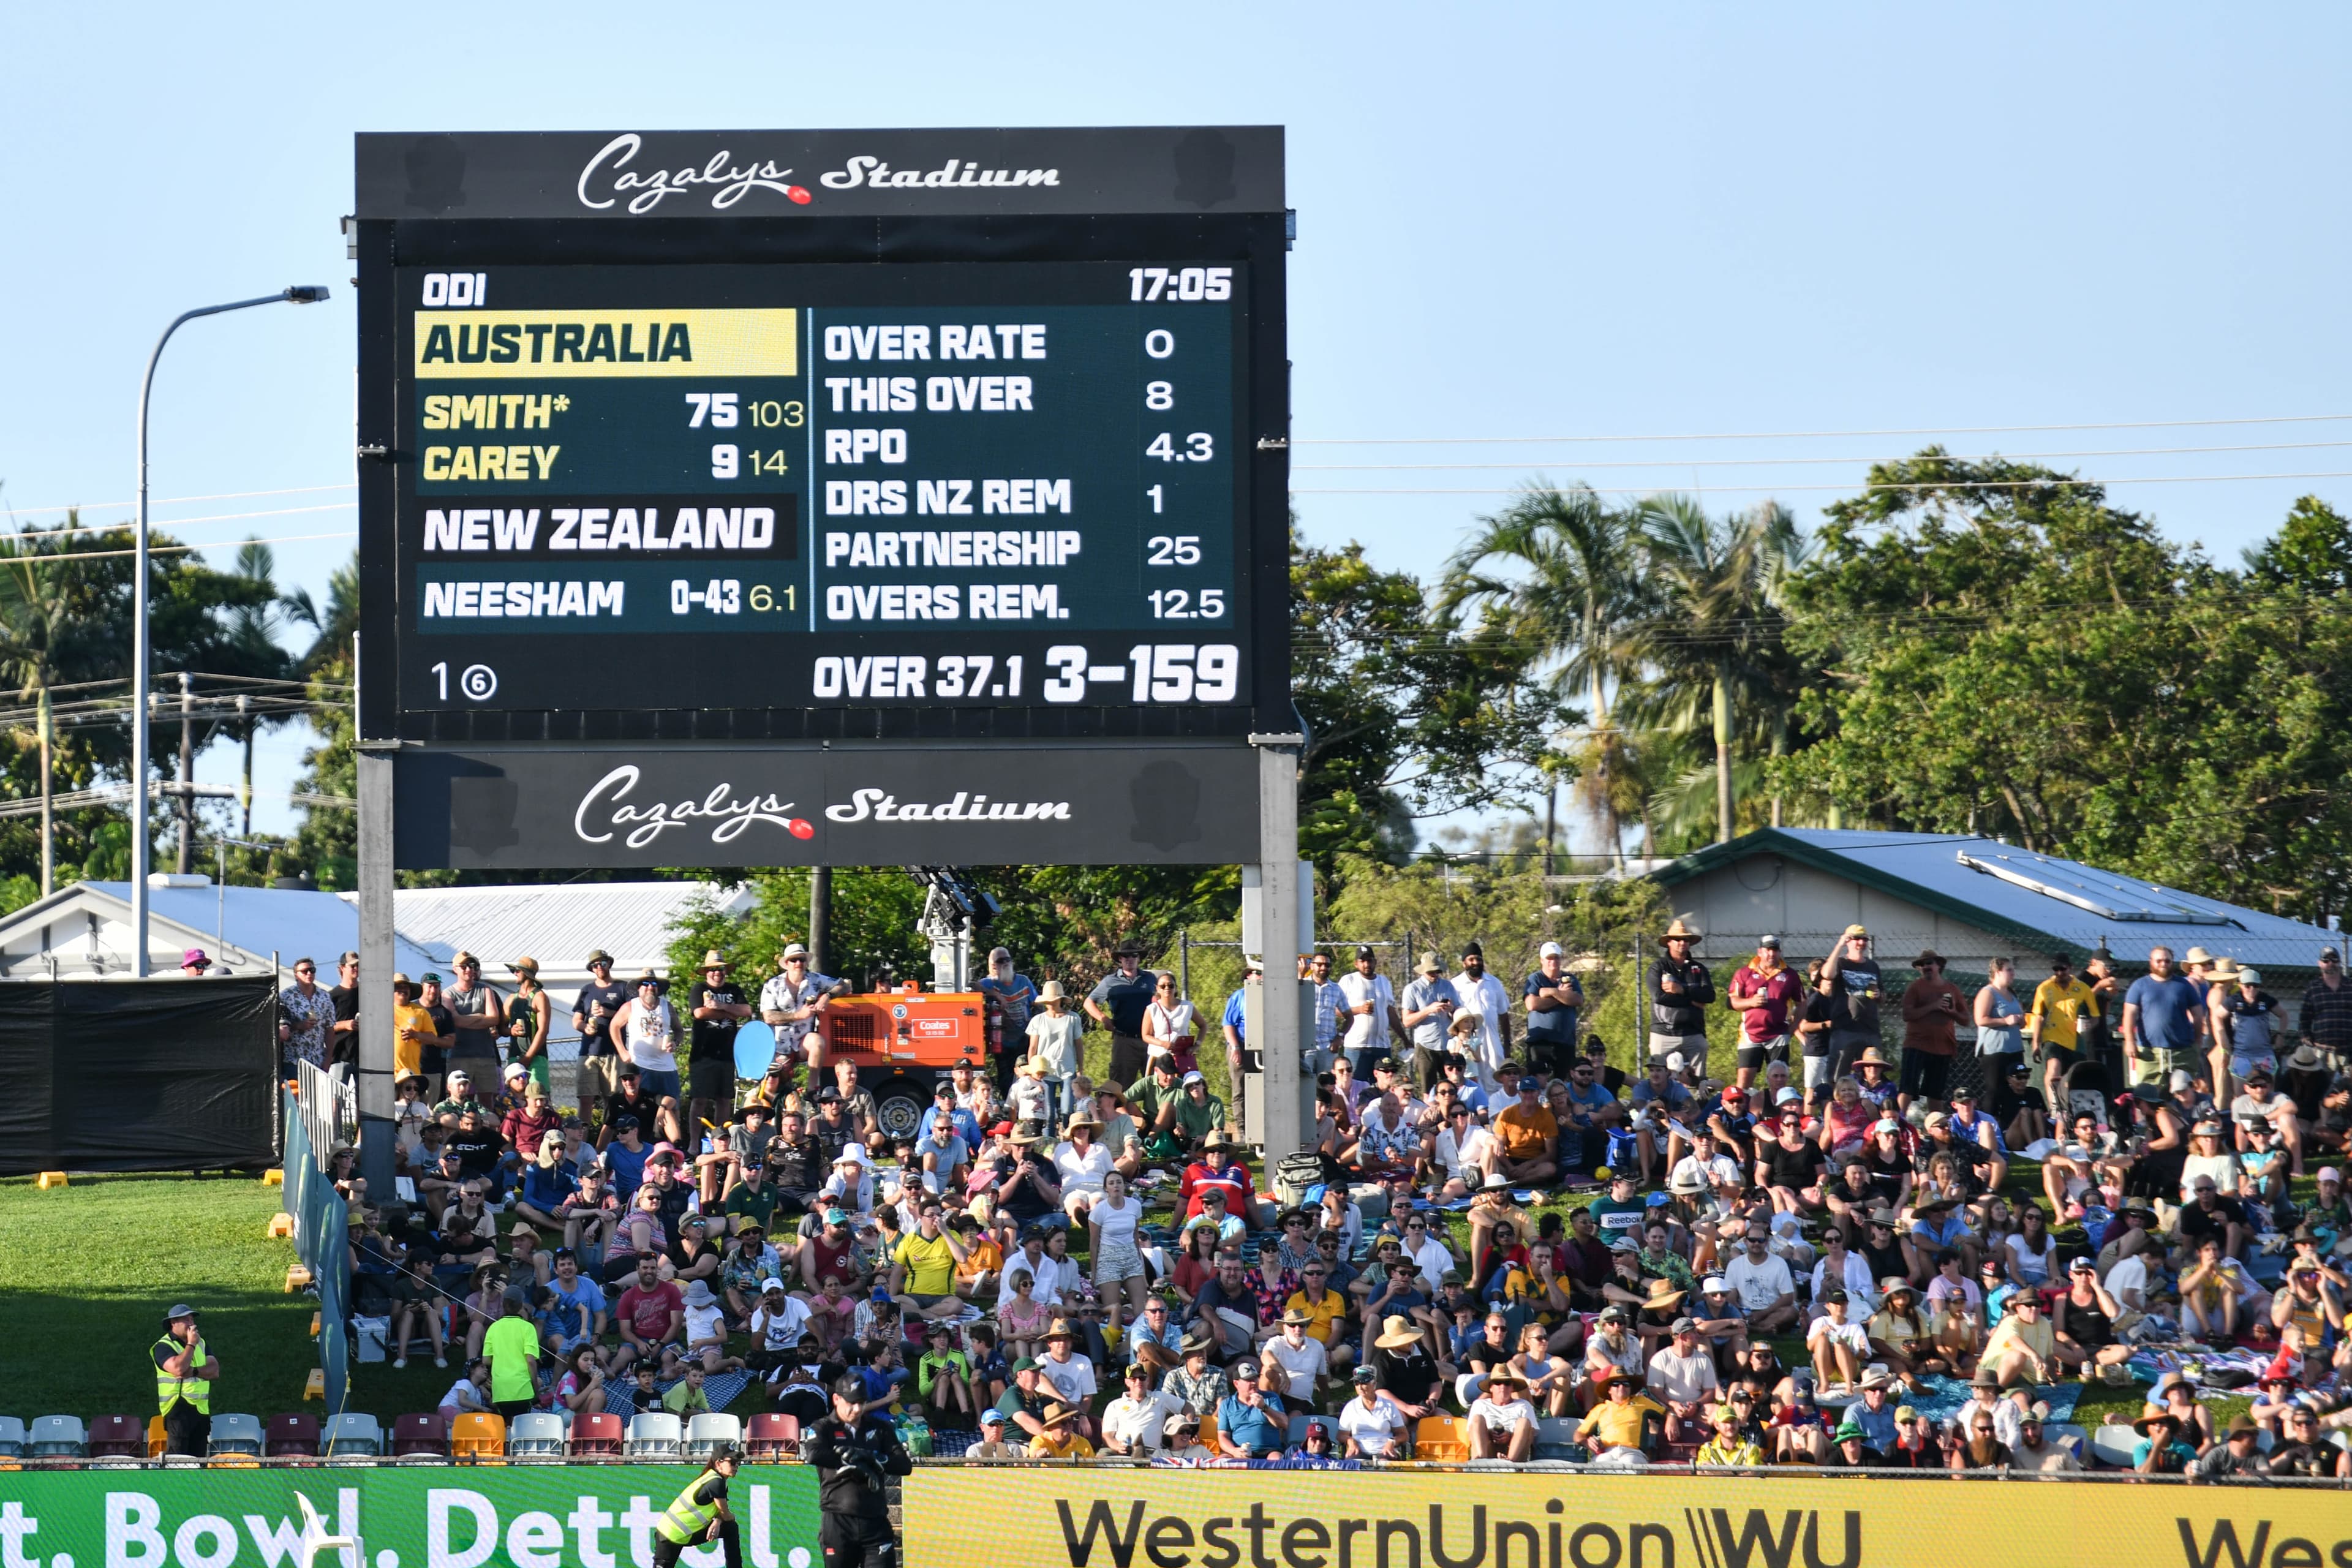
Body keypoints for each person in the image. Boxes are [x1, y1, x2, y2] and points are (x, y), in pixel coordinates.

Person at [684, 950, 752, 1131]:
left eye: (721, 969)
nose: (717, 973)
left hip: (727, 1053)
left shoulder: (734, 990)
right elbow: (699, 1013)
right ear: (707, 971)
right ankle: (694, 1144)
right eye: (713, 969)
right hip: (703, 1053)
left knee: (724, 1099)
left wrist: (721, 1006)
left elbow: (746, 1011)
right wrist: (730, 1013)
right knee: (700, 1099)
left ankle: (720, 1137)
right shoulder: (699, 989)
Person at [1727, 936, 1803, 1094]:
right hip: (1750, 1034)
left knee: (1779, 1082)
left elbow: (1802, 1003)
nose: (1771, 954)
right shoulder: (1745, 972)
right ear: (1760, 952)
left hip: (1778, 1035)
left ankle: (1778, 1115)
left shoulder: (1790, 975)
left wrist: (1793, 1027)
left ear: (1780, 952)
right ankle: (1742, 1114)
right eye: (1768, 950)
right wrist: (1751, 1002)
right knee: (1743, 1083)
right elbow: (1733, 1001)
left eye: (1775, 950)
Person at [652, 1442, 745, 1568]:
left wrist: (717, 1521)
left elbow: (721, 1512)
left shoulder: (716, 1479)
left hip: (687, 1534)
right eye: (733, 1462)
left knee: (730, 1528)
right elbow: (727, 1515)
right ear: (718, 1463)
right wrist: (724, 1518)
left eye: (738, 1462)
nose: (736, 1466)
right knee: (731, 1525)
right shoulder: (715, 1482)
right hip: (670, 1534)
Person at [2124, 946, 2206, 1088]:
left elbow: (2198, 1015)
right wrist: (2130, 1041)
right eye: (2159, 961)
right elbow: (2129, 1015)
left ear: (2172, 962)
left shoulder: (2184, 986)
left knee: (2185, 1094)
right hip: (2149, 1053)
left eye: (2167, 961)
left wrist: (2198, 1040)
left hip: (2182, 1052)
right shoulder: (2139, 986)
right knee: (2148, 1097)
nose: (2163, 964)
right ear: (2151, 962)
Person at [2027, 953, 2097, 1120]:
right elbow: (2038, 1016)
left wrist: (2089, 1025)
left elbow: (2096, 1016)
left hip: (2075, 1042)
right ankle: (2054, 1108)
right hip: (2052, 1037)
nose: (2059, 973)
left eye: (2063, 969)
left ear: (2070, 968)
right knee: (2054, 1066)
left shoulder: (2083, 989)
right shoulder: (2045, 988)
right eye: (2056, 969)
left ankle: (2074, 1111)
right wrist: (2036, 1042)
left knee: (2073, 1077)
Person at [1084, 941, 1157, 1090]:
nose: (1129, 959)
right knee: (1120, 1086)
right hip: (1124, 1040)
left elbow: (1163, 1000)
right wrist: (1103, 1018)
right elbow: (1088, 1003)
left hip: (1151, 1039)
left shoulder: (1150, 979)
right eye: (1125, 956)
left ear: (1139, 958)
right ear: (1120, 959)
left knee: (1155, 1083)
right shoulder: (1110, 981)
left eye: (1133, 955)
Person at [1649, 919, 1715, 1072]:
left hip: (1693, 1032)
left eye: (1685, 939)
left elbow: (1710, 996)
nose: (1682, 943)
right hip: (1663, 1032)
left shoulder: (1698, 968)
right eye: (1678, 939)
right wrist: (1692, 1000)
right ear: (1669, 943)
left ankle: (1698, 1096)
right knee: (1659, 1076)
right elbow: (1659, 997)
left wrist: (1682, 989)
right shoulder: (1658, 967)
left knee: (1698, 1079)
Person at [153, 1303, 219, 1456]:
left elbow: (215, 1371)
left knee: (199, 1459)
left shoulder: (201, 1343)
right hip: (177, 1408)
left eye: (192, 1320)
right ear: (173, 1323)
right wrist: (191, 1344)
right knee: (178, 1459)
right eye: (186, 1320)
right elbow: (179, 1369)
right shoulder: (163, 1346)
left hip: (201, 1409)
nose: (191, 1324)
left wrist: (194, 1371)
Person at [1819, 924, 1882, 1079]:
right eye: (1856, 939)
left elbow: (1883, 998)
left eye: (1864, 939)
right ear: (1848, 941)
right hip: (1844, 1027)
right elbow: (1827, 974)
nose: (1861, 943)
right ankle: (1835, 1103)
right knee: (1838, 1075)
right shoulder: (1841, 963)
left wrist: (1879, 994)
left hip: (1869, 1028)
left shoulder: (1872, 966)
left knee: (1870, 1076)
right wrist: (1839, 945)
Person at [1902, 950, 1966, 1096]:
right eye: (1922, 965)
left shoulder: (1952, 989)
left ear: (1939, 966)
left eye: (1929, 963)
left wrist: (1953, 1012)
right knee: (1908, 1089)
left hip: (1943, 1048)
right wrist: (1934, 1006)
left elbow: (1965, 1019)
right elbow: (1907, 1015)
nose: (1925, 967)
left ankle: (1936, 1119)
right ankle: (1898, 1119)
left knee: (1935, 1093)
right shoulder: (1915, 987)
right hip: (1916, 1045)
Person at [481, 1295, 540, 1422]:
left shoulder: (493, 1328)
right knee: (522, 1430)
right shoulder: (528, 1327)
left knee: (505, 1428)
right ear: (521, 1307)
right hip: (522, 1388)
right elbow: (530, 1361)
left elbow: (486, 1360)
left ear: (503, 1306)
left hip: (500, 1390)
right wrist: (535, 1386)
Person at [279, 956, 336, 1074]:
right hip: (294, 1061)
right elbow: (277, 1026)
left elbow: (330, 1028)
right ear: (296, 975)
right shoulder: (286, 996)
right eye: (305, 971)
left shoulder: (324, 996)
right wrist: (298, 1026)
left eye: (312, 970)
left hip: (317, 1061)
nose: (309, 973)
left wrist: (329, 1058)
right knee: (296, 1091)